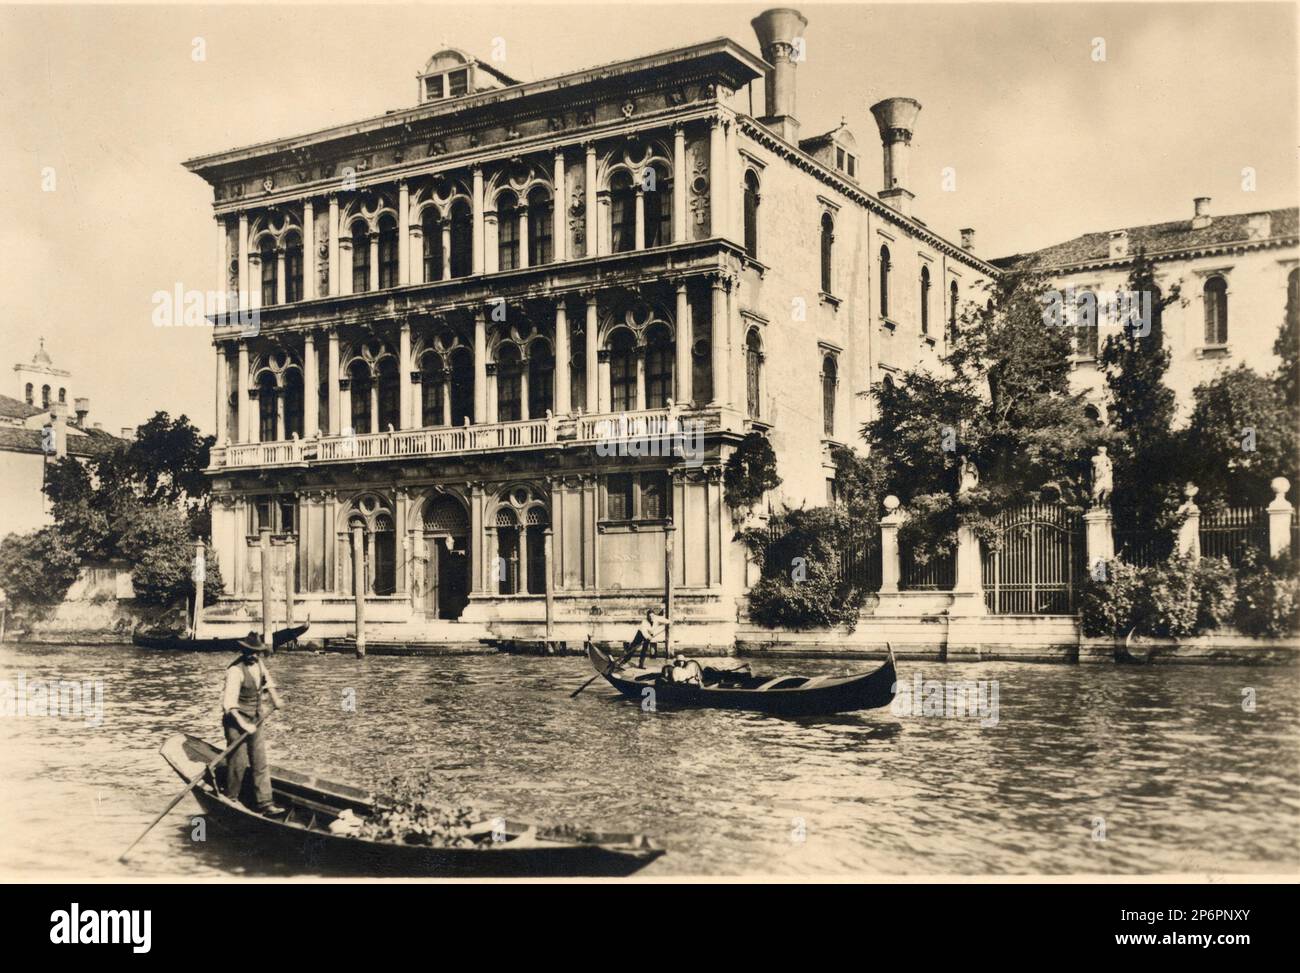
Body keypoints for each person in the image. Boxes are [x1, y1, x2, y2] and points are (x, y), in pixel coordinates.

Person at [221, 632, 285, 816]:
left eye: (257, 652)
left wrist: (275, 700)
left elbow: (268, 683)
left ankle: (265, 803)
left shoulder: (258, 663)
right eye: (251, 652)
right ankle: (231, 797)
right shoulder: (235, 671)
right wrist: (244, 725)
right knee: (238, 761)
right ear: (244, 651)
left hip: (256, 718)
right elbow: (230, 706)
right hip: (236, 720)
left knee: (260, 761)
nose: (255, 656)